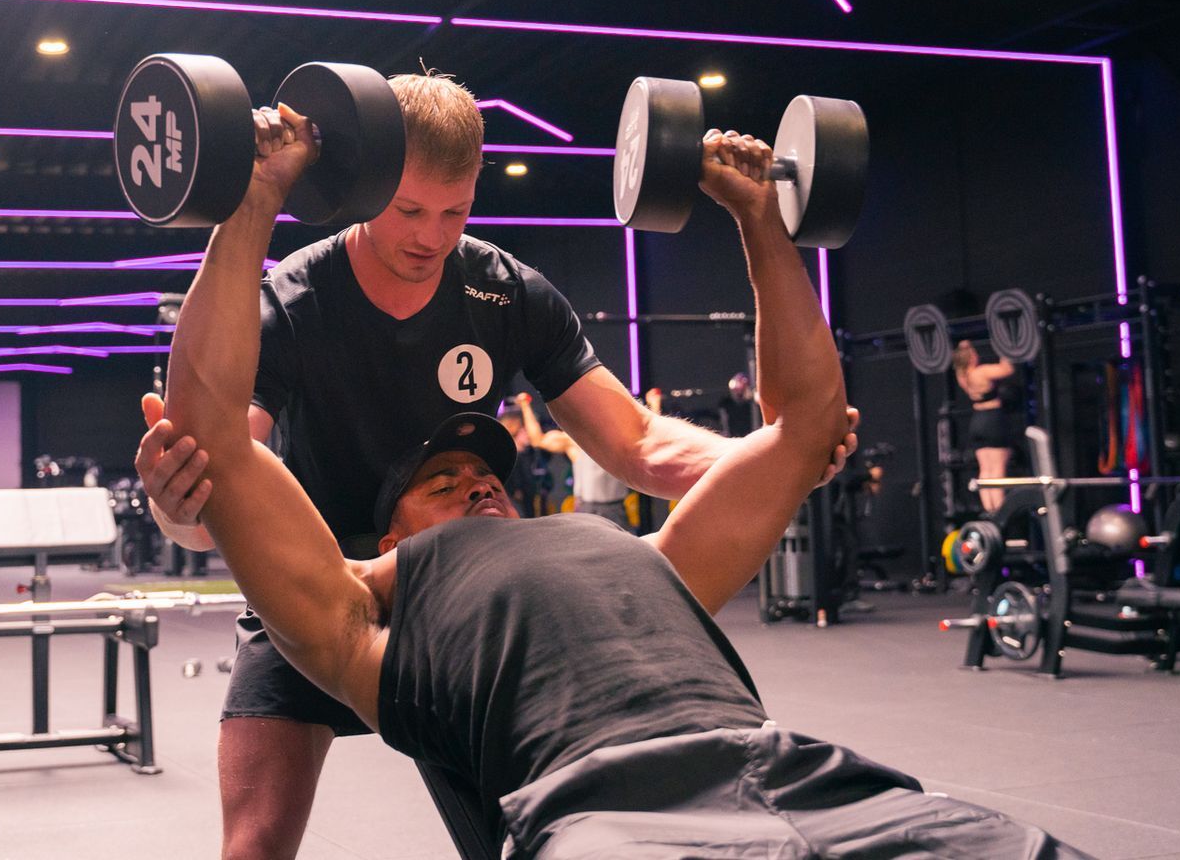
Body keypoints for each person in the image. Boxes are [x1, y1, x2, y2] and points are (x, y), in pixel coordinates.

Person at [138, 119, 1084, 859]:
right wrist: (253, 198)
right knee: (255, 845)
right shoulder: (293, 312)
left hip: (790, 780)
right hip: (364, 605)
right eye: (410, 212)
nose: (432, 237)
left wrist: (759, 220)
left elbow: (689, 437)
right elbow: (214, 448)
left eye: (455, 213)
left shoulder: (641, 562)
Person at [513, 391, 631, 531]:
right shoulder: (577, 441)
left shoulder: (621, 439)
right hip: (588, 510)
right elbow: (538, 440)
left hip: (615, 509)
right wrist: (525, 406)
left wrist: (654, 405)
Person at [952, 341, 1022, 513]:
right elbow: (1007, 370)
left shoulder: (962, 376)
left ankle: (989, 511)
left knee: (985, 471)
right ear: (970, 357)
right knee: (997, 470)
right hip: (993, 421)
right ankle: (999, 513)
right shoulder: (980, 372)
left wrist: (964, 346)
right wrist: (1004, 346)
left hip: (977, 422)